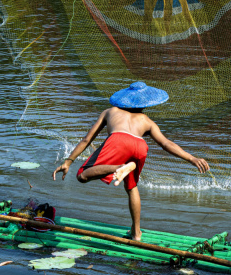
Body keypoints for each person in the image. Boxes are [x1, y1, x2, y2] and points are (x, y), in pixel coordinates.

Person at [52, 82, 209, 240]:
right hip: (140, 146)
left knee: (82, 176)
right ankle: (136, 233)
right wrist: (191, 158)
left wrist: (68, 161)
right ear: (145, 103)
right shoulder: (146, 121)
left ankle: (120, 167)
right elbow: (166, 144)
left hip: (118, 140)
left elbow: (87, 139)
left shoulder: (110, 111)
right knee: (132, 187)